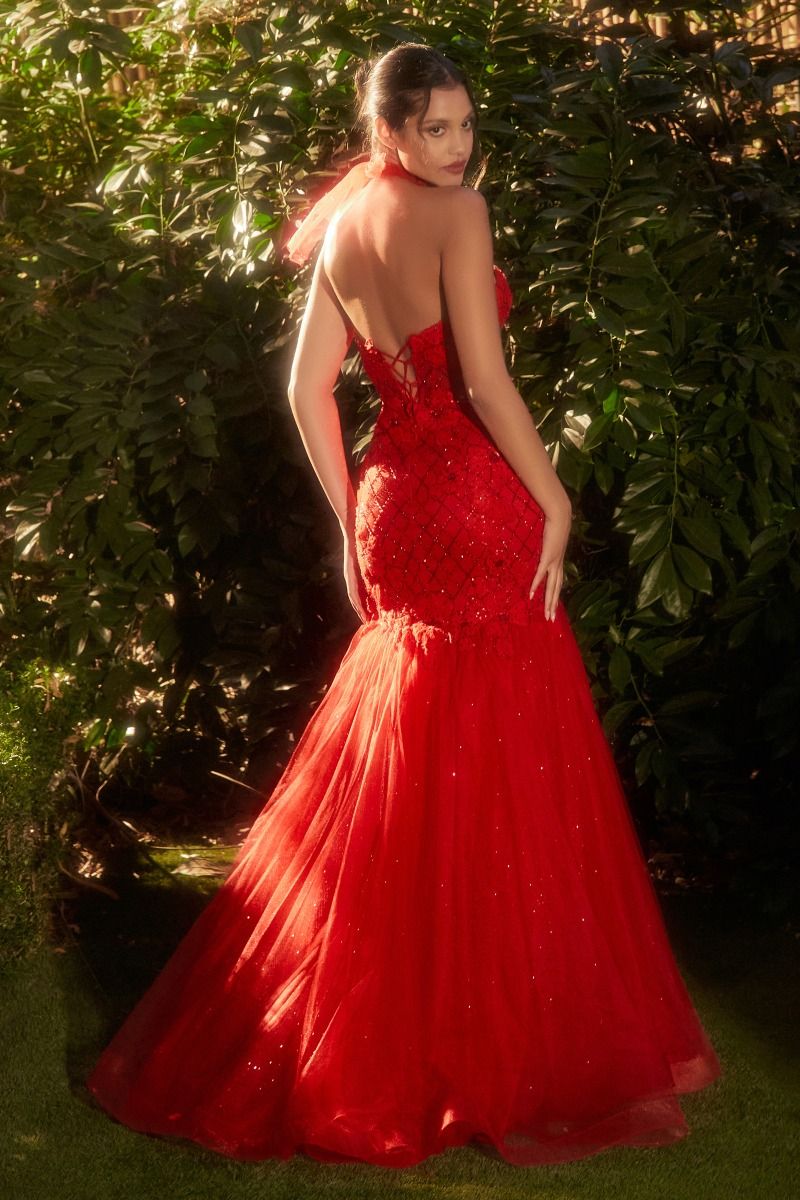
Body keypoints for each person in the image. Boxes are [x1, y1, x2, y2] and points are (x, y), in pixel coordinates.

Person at [85, 42, 722, 1167]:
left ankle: (381, 1028)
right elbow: (482, 380)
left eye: (464, 127)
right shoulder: (457, 214)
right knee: (502, 757)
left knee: (405, 759)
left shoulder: (341, 230)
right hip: (471, 499)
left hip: (390, 502)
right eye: (434, 128)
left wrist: (346, 519)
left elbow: (304, 388)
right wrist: (555, 497)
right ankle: (487, 1045)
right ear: (388, 130)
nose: (458, 146)